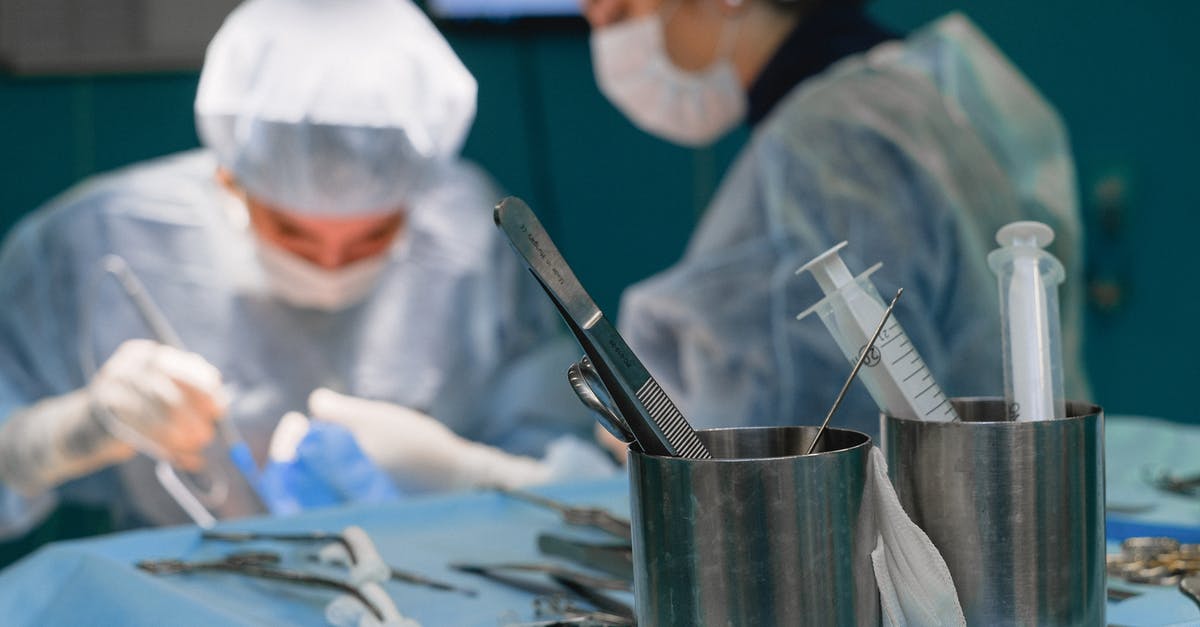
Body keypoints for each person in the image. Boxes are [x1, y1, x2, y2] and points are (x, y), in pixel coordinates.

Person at [0, 0, 609, 538]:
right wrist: (63, 435)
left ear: (418, 197)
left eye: (374, 235)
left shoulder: (469, 230)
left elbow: (558, 464)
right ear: (228, 181)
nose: (331, 264)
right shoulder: (100, 237)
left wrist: (465, 474)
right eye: (292, 232)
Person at [581, 0, 1089, 442]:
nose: (595, 19)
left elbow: (795, 438)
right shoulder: (925, 83)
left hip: (912, 527)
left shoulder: (829, 141)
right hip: (997, 492)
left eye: (620, 7)